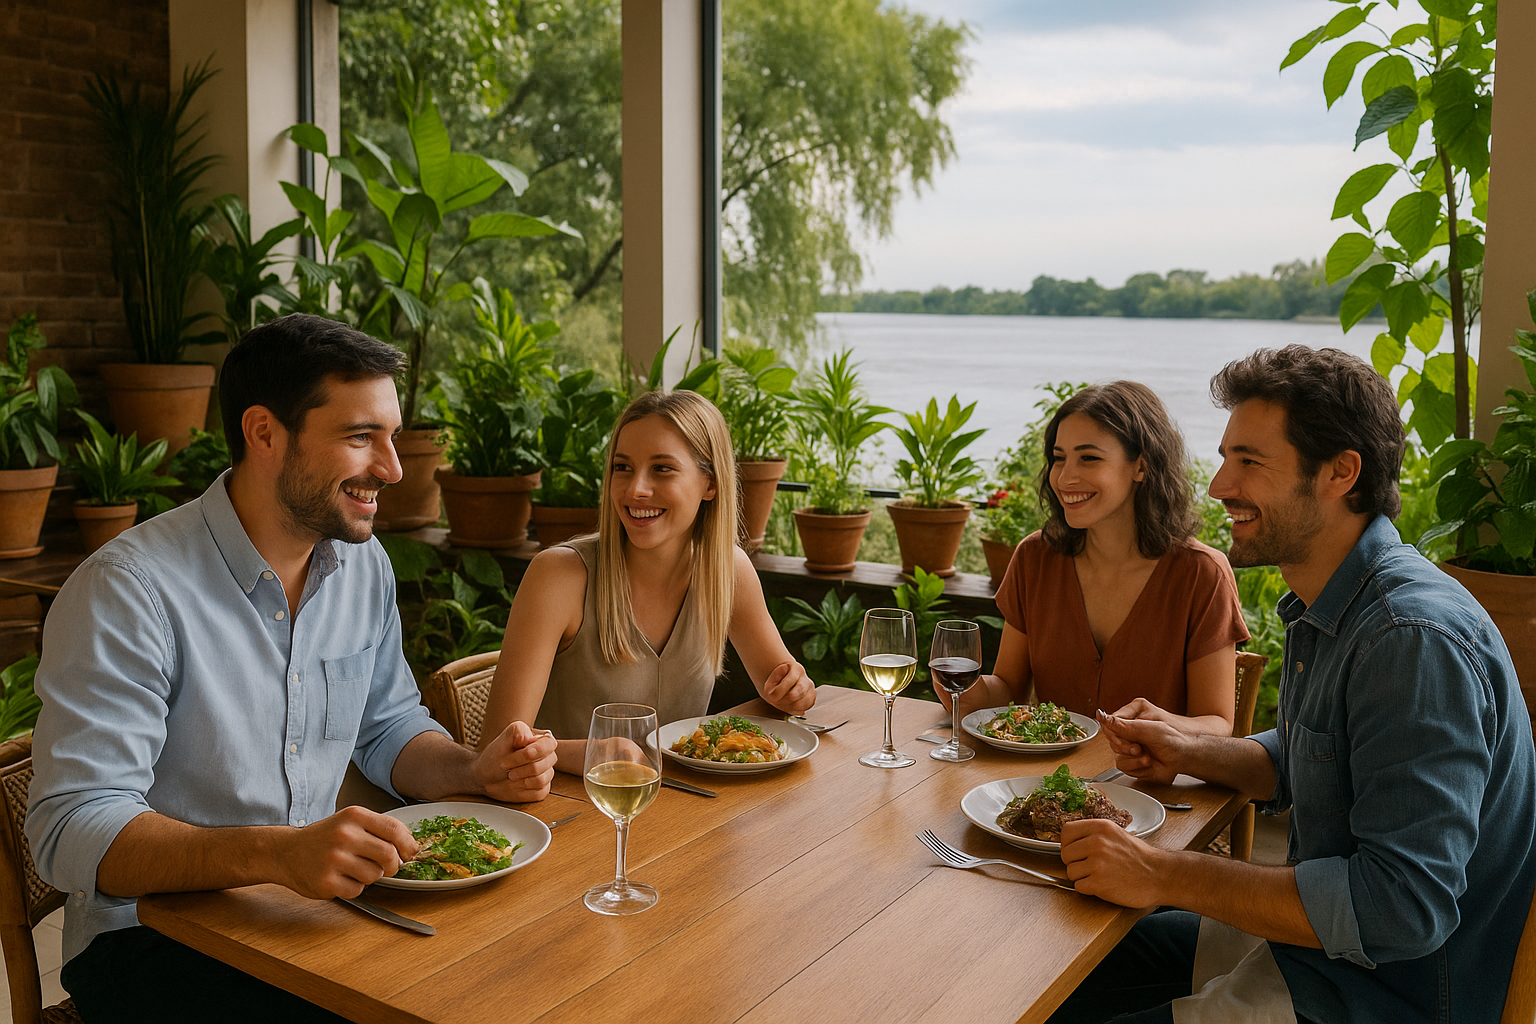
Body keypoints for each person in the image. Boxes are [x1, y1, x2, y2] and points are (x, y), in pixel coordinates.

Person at [26, 314, 559, 1024]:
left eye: (392, 436)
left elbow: (387, 727)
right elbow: (71, 828)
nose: (394, 468)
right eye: (360, 436)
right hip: (148, 942)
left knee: (523, 975)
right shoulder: (128, 591)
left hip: (308, 916)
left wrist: (472, 770)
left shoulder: (362, 565)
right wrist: (277, 855)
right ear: (264, 433)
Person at [1051, 346, 1536, 1024]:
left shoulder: (1410, 639)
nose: (1220, 486)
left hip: (1378, 995)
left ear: (1341, 472)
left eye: (1249, 462)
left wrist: (1162, 872)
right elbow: (1322, 755)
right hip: (1313, 954)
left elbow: (1401, 909)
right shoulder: (1338, 603)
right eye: (1225, 457)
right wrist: (1192, 751)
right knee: (1057, 962)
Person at [479, 388, 815, 773]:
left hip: (680, 802)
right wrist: (594, 754)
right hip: (568, 803)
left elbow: (781, 686)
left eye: (662, 469)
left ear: (710, 483)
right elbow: (496, 750)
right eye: (622, 467)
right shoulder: (559, 576)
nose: (636, 489)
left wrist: (795, 691)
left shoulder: (729, 570)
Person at [943, 381, 1247, 735]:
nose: (1065, 477)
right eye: (1059, 458)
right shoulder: (1034, 558)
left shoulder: (1202, 574)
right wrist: (966, 690)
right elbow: (1009, 690)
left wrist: (1161, 727)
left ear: (1141, 466)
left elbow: (1217, 724)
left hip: (1151, 773)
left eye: (1088, 458)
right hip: (1049, 773)